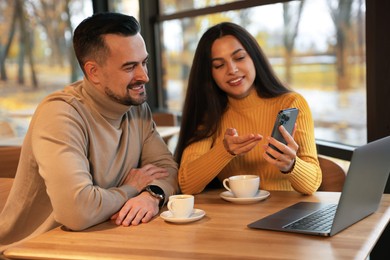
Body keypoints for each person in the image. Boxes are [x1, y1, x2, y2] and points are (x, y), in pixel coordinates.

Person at [0, 12, 179, 251]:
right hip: (33, 249)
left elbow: (168, 170)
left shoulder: (137, 109)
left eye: (144, 62)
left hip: (103, 240)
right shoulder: (60, 114)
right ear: (93, 71)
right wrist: (131, 189)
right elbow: (77, 212)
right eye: (129, 67)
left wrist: (152, 194)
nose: (144, 76)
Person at [175, 22, 321, 195]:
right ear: (209, 73)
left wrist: (291, 165)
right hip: (234, 217)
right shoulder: (210, 113)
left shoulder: (291, 103)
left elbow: (312, 185)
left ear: (254, 58)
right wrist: (225, 150)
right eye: (219, 65)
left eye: (239, 57)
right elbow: (186, 185)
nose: (232, 70)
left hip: (287, 215)